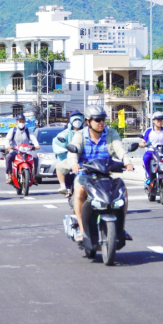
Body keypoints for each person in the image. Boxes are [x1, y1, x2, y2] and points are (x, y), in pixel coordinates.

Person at [67, 106, 135, 248]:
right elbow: (73, 151)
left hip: (105, 174)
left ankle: (120, 228)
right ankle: (81, 229)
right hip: (85, 174)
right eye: (97, 120)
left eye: (103, 120)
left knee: (122, 191)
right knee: (79, 191)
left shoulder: (111, 134)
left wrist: (127, 161)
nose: (101, 123)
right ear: (88, 122)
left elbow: (119, 149)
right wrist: (74, 163)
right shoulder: (80, 135)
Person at [139, 112, 163, 185]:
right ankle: (149, 176)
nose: (160, 122)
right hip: (151, 151)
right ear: (153, 121)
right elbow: (143, 141)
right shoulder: (149, 131)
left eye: (161, 120)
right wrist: (142, 144)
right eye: (158, 120)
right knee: (145, 158)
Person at [52, 110, 84, 194]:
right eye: (75, 120)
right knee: (59, 166)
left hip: (85, 158)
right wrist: (66, 150)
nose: (77, 122)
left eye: (79, 120)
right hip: (70, 158)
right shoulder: (65, 133)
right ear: (71, 121)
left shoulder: (86, 132)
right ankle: (63, 186)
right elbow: (57, 143)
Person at [4, 114, 40, 184]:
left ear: (25, 122)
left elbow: (33, 138)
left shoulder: (28, 130)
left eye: (22, 121)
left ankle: (34, 176)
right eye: (19, 121)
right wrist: (8, 146)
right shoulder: (12, 130)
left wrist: (36, 145)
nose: (21, 123)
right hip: (15, 151)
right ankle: (10, 175)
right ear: (17, 121)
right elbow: (7, 139)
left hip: (27, 151)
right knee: (8, 157)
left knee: (35, 157)